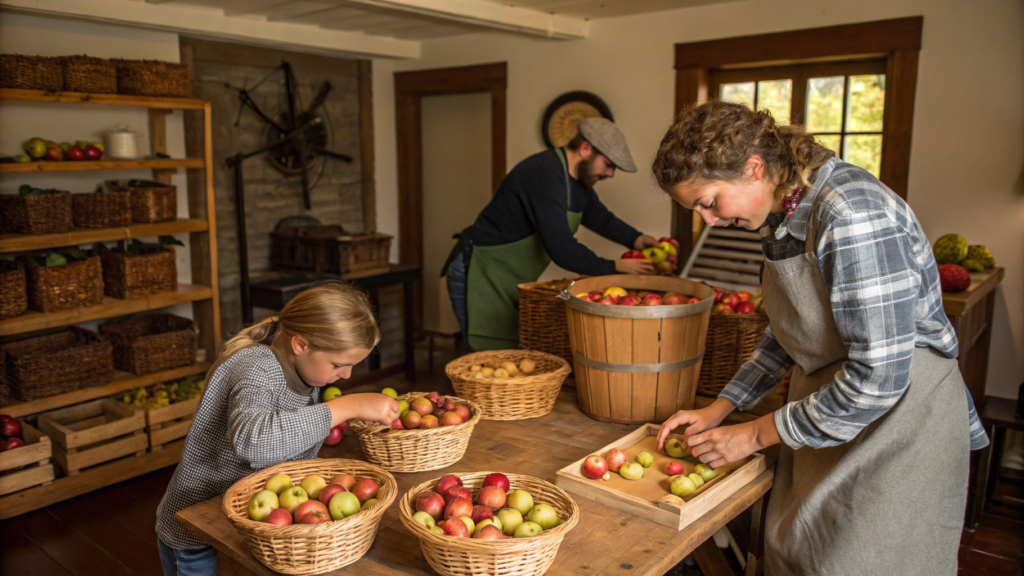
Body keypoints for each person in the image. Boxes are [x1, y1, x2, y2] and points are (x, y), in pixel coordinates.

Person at [652, 101, 988, 574]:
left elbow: (877, 380)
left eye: (708, 202)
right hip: (830, 409)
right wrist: (722, 406)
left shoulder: (850, 212)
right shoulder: (788, 211)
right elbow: (792, 332)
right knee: (805, 555)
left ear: (754, 168)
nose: (706, 220)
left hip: (900, 421)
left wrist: (754, 433)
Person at [155, 282, 400, 576]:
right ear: (300, 345)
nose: (346, 375)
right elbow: (253, 441)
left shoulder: (300, 366)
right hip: (198, 531)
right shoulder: (258, 367)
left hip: (247, 525)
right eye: (338, 364)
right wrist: (347, 406)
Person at [444, 117, 660, 351]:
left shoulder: (579, 183)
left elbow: (601, 218)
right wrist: (615, 266)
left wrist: (636, 239)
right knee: (485, 357)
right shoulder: (544, 173)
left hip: (507, 276)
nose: (611, 174)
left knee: (510, 354)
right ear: (585, 148)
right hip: (477, 270)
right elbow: (561, 247)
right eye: (608, 164)